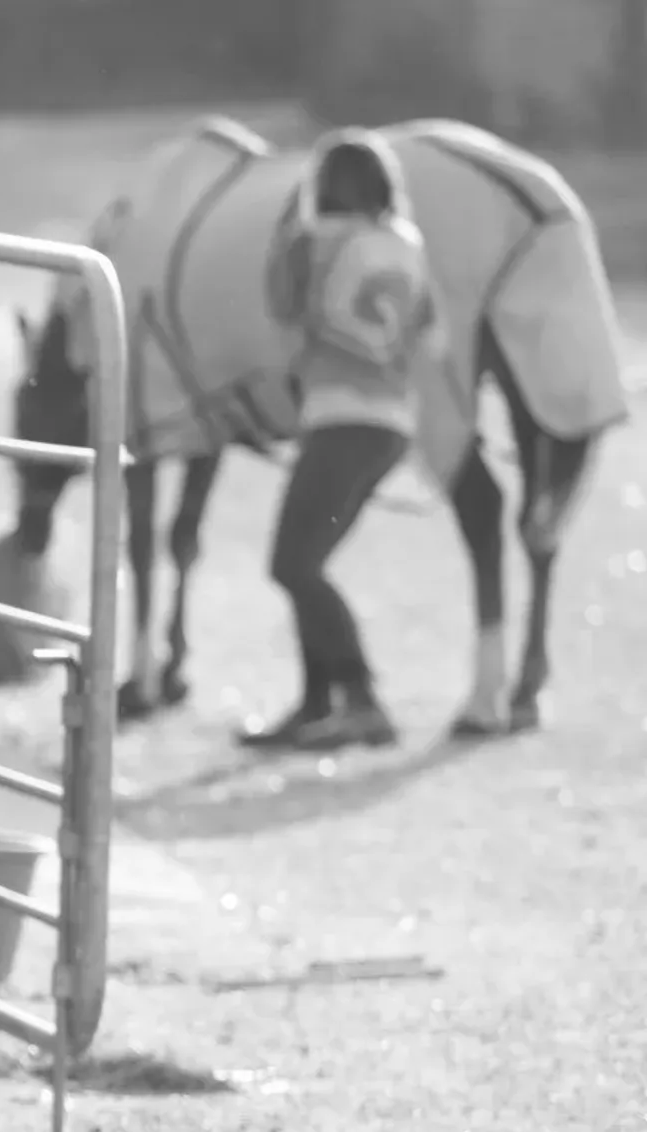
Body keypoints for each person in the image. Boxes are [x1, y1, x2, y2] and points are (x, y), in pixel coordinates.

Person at [238, 128, 440, 752]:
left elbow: (279, 306)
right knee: (306, 565)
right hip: (390, 425)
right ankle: (318, 703)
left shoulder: (314, 242)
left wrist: (292, 236)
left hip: (340, 420)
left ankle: (361, 701)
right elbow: (431, 337)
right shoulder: (407, 244)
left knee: (292, 565)